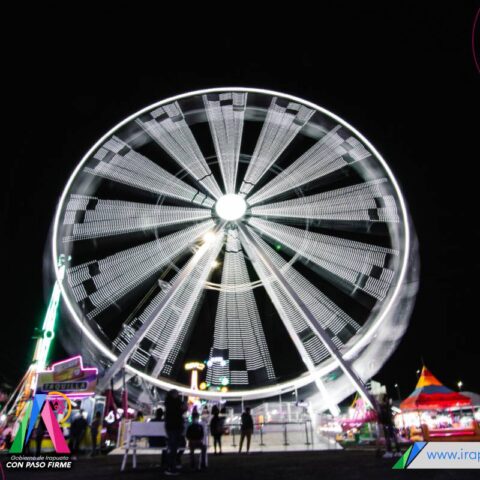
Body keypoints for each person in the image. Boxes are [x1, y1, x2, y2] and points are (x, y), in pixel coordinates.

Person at [164, 389, 186, 476]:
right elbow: (180, 411)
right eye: (177, 394)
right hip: (175, 427)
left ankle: (171, 465)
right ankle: (171, 467)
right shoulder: (175, 403)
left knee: (173, 447)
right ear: (173, 395)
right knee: (174, 447)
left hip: (171, 427)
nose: (178, 395)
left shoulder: (169, 403)